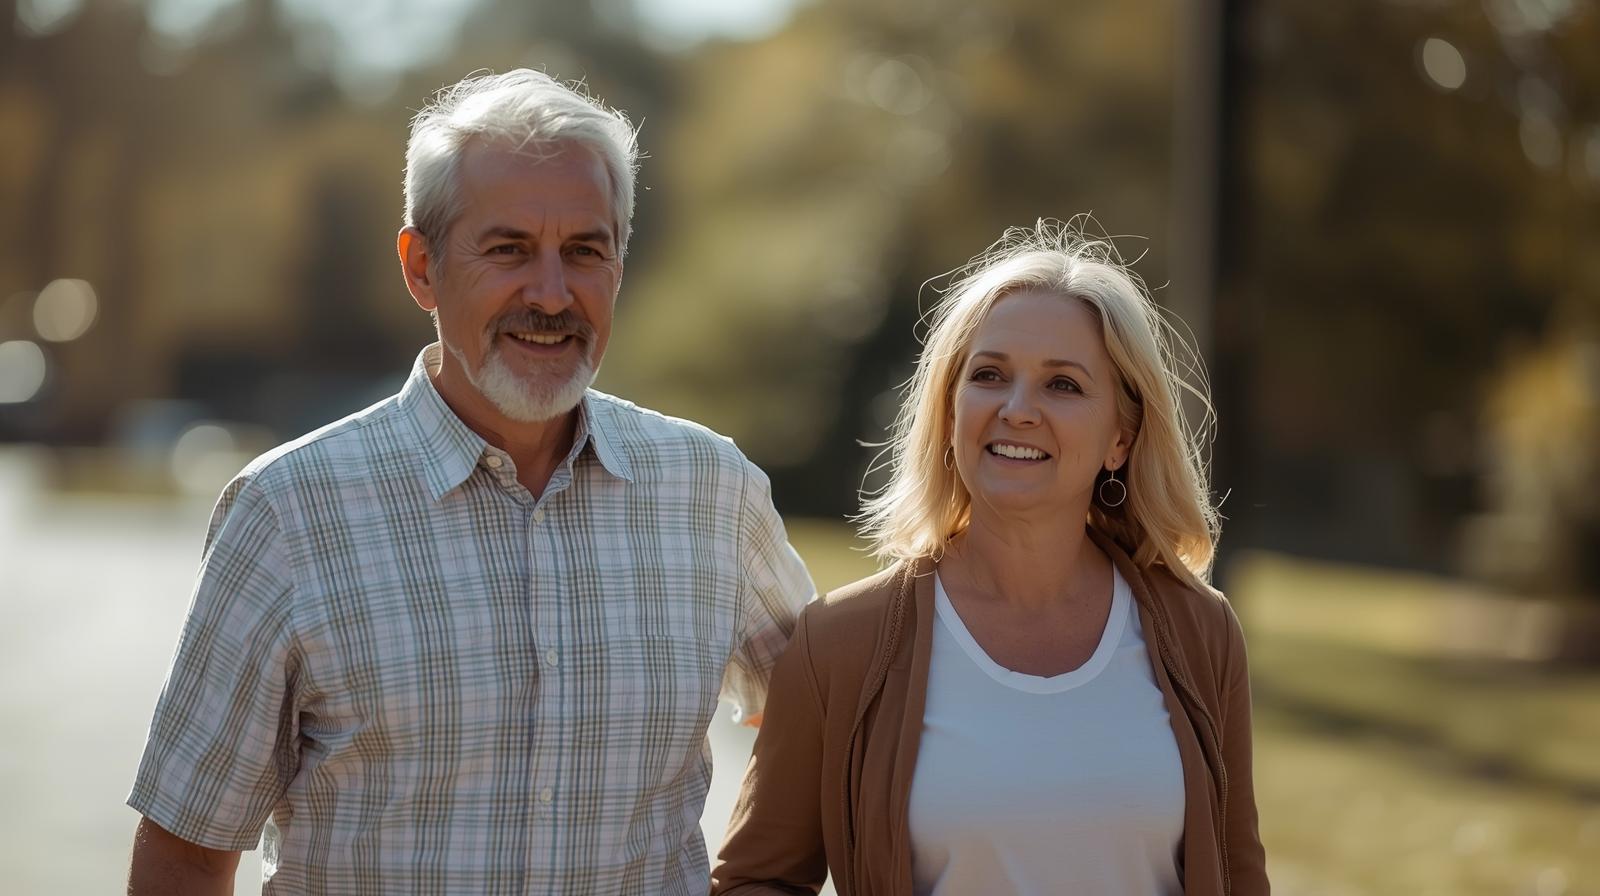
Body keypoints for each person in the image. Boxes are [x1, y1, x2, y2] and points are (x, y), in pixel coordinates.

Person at [126, 69, 814, 895]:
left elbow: (822, 725)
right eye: (508, 250)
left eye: (585, 251)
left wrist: (760, 879)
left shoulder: (714, 493)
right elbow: (188, 853)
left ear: (620, 265)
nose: (553, 294)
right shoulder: (288, 513)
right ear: (422, 267)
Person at [712, 221, 1268, 895]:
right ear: (950, 411)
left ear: (1120, 437)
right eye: (989, 375)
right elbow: (757, 880)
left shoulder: (1200, 632)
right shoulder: (840, 643)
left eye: (1062, 385)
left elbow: (1238, 877)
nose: (1017, 409)